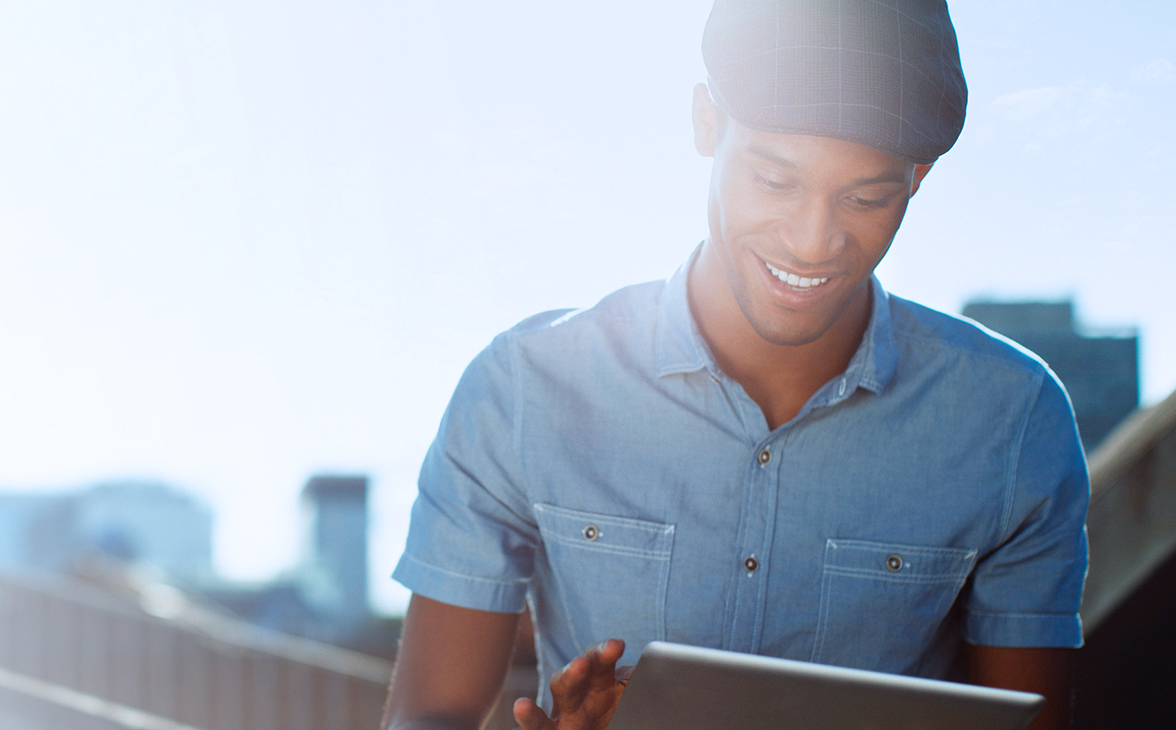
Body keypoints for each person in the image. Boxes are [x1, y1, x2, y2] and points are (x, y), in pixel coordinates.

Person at [380, 1, 1088, 729]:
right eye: (776, 182)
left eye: (867, 197)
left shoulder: (1013, 421)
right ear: (706, 123)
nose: (815, 242)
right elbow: (429, 717)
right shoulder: (524, 388)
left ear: (919, 177)